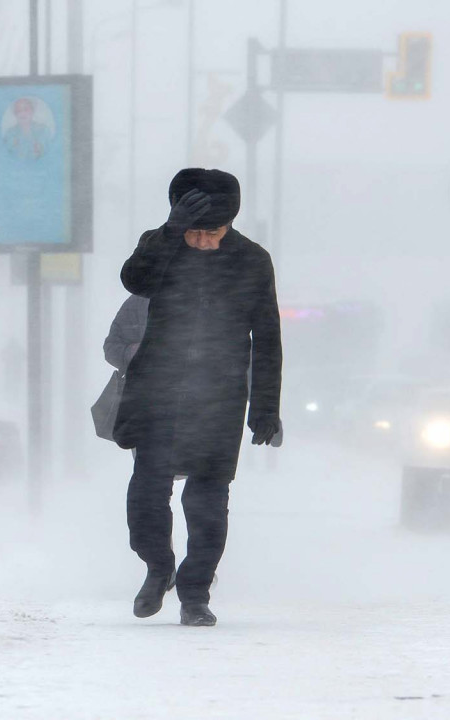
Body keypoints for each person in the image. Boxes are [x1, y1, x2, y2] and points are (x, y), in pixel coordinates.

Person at [113, 168, 283, 627]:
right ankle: (158, 566)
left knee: (208, 502)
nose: (204, 241)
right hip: (158, 392)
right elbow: (135, 281)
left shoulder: (252, 260)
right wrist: (171, 232)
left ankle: (195, 595)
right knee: (147, 493)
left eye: (214, 233)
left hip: (220, 397)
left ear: (230, 226)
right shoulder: (162, 245)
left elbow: (267, 338)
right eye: (196, 232)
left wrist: (266, 408)